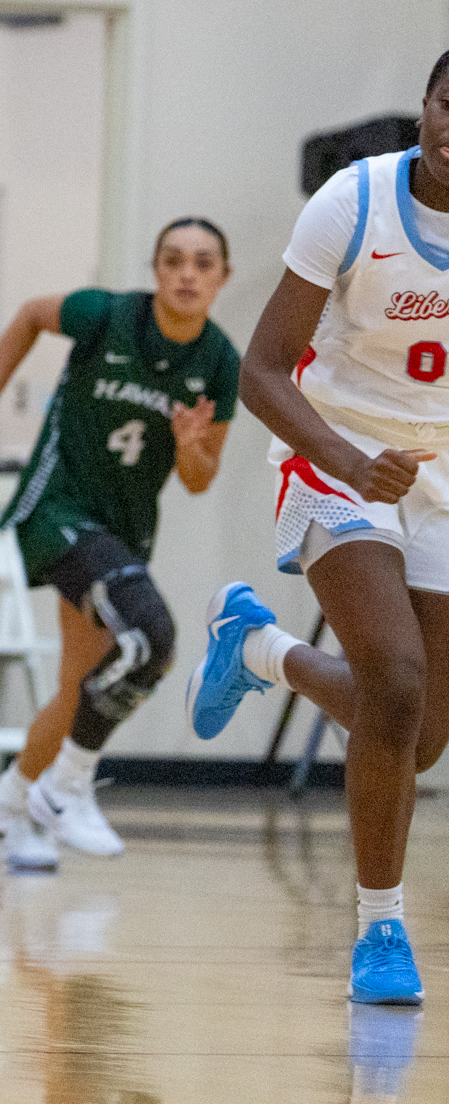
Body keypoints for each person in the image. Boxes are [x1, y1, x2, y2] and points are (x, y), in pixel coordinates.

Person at [188, 58, 449, 1005]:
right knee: (397, 677)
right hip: (334, 454)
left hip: (440, 471)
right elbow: (259, 371)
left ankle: (260, 648)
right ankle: (381, 927)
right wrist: (343, 459)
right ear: (426, 104)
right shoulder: (352, 201)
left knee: (414, 736)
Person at [0, 218, 238, 870]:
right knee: (151, 637)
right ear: (156, 269)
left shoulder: (221, 364)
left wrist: (194, 447)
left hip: (123, 533)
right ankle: (66, 790)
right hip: (56, 509)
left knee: (79, 686)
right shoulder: (105, 315)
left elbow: (199, 481)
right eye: (174, 261)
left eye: (202, 263)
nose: (187, 274)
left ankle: (6, 808)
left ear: (222, 276)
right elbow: (29, 315)